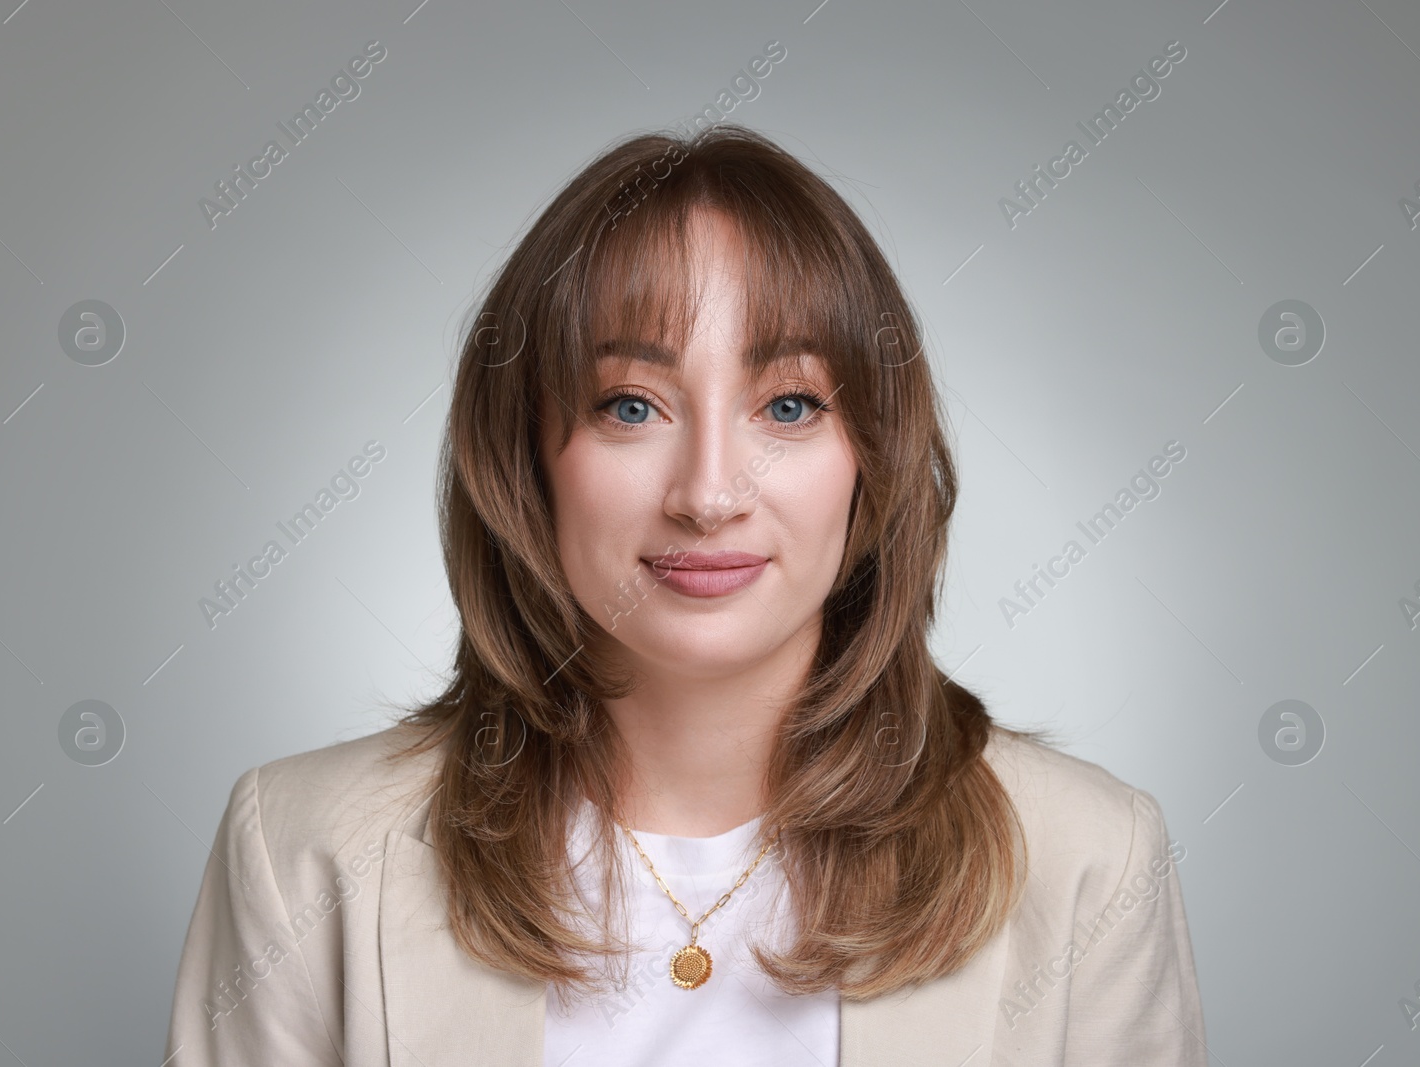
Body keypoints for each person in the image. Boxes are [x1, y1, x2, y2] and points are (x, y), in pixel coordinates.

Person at [164, 124, 1207, 1066]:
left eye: (788, 404)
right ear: (528, 455)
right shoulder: (305, 850)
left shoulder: (1087, 859)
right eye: (631, 405)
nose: (709, 493)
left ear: (870, 455)